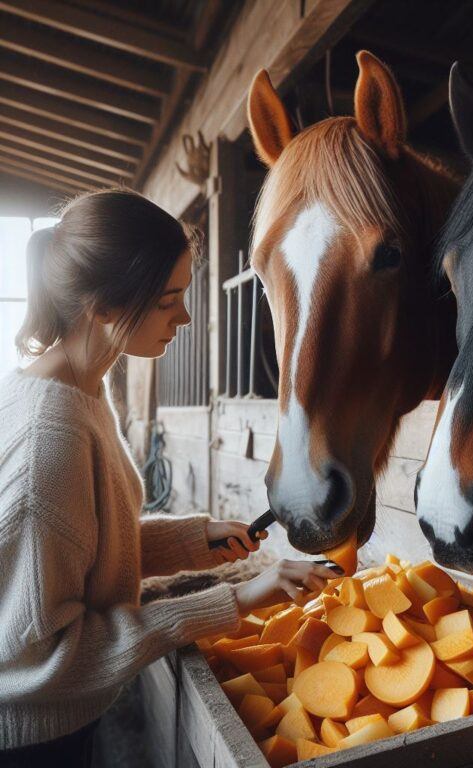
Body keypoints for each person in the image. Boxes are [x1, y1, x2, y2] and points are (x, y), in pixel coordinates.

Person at [0, 189, 339, 765]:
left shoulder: (80, 387)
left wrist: (189, 539)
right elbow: (46, 657)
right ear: (103, 307)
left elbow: (77, 549)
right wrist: (235, 599)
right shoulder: (47, 444)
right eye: (168, 300)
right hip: (32, 738)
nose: (184, 317)